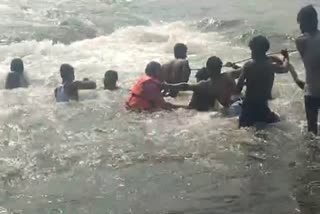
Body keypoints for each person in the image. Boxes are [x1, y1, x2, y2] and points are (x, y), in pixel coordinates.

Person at [236, 35, 292, 128]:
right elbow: (285, 68)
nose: (251, 53)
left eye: (252, 49)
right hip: (262, 107)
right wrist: (286, 57)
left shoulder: (247, 66)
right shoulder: (270, 66)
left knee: (243, 130)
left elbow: (238, 88)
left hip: (248, 106)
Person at [163, 56, 242, 112]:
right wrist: (234, 66)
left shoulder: (206, 85)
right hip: (239, 103)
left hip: (229, 109)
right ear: (220, 67)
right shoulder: (229, 74)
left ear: (208, 69)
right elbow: (244, 69)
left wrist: (168, 86)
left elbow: (185, 87)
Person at [295, 5, 320, 135]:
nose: (300, 27)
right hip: (312, 90)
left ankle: (313, 154)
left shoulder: (300, 41)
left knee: (312, 130)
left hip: (312, 92)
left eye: (301, 23)